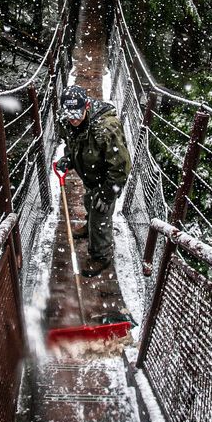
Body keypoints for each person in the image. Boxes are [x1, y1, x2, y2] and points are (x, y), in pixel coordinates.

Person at [55, 84, 131, 277]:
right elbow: (74, 145)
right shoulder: (65, 121)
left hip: (107, 178)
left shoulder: (105, 128)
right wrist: (69, 160)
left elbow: (121, 165)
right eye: (69, 114)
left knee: (100, 212)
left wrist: (108, 194)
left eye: (77, 114)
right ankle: (90, 227)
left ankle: (101, 256)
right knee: (90, 201)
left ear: (87, 106)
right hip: (90, 173)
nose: (73, 119)